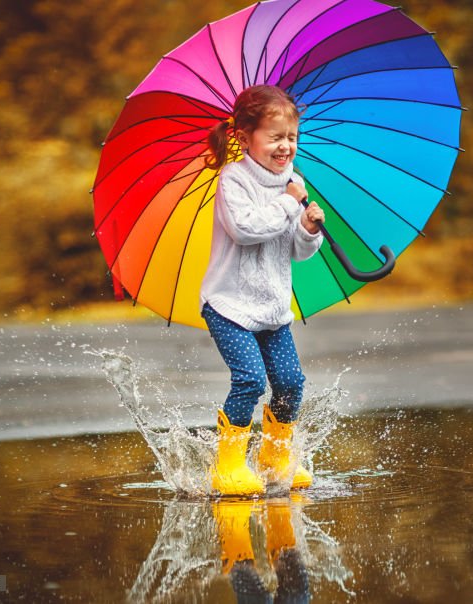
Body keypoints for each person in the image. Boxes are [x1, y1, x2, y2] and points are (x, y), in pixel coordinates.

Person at [201, 85, 325, 496]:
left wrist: (308, 230)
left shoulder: (294, 182)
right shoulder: (233, 180)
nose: (285, 146)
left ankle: (275, 458)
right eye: (274, 137)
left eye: (291, 137)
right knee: (251, 380)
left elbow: (294, 250)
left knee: (290, 383)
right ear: (243, 137)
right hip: (229, 305)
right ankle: (229, 465)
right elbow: (248, 229)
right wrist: (290, 204)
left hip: (271, 306)